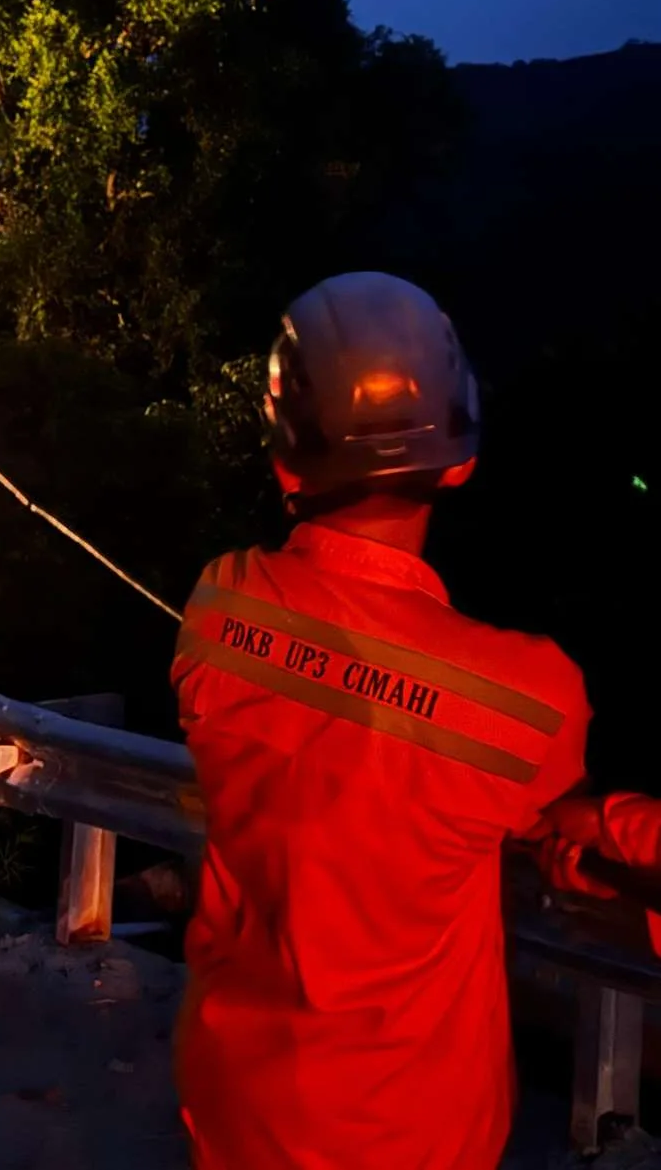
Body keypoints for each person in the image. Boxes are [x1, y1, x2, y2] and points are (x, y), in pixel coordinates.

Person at [171, 271, 593, 1170]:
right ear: (459, 459)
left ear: (285, 460)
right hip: (412, 1133)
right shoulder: (531, 695)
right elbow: (550, 817)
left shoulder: (218, 601)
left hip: (236, 1103)